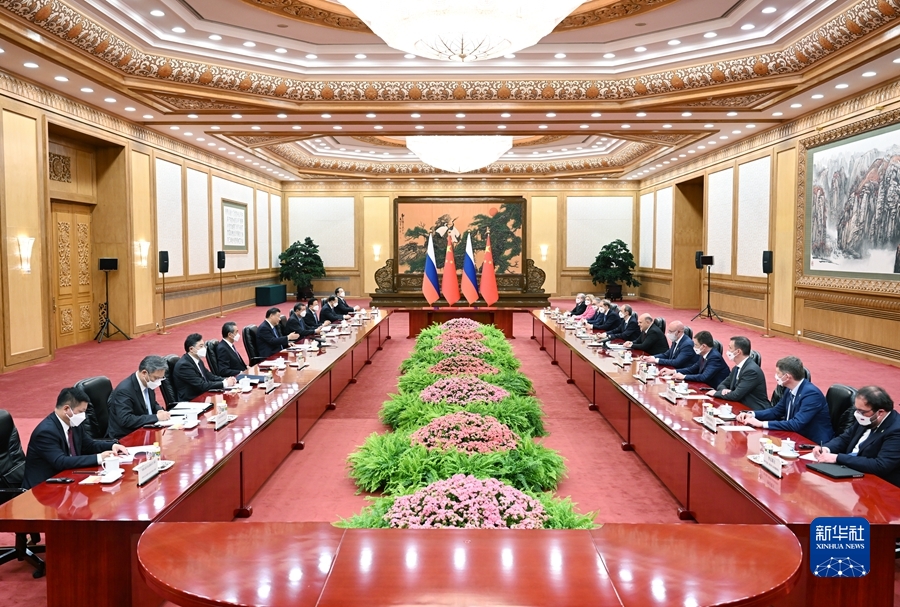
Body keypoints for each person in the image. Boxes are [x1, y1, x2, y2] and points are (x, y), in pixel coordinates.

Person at [22, 387, 128, 489]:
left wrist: (112, 445)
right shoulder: (45, 432)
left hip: (68, 477)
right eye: (81, 412)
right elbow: (60, 461)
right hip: (44, 487)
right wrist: (100, 457)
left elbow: (88, 445)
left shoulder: (73, 422)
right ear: (66, 409)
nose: (83, 416)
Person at [813, 386, 900, 487]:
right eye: (857, 410)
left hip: (877, 484)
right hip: (850, 472)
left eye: (862, 411)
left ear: (880, 412)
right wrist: (826, 448)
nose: (858, 414)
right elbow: (845, 439)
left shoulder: (896, 430)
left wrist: (837, 458)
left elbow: (880, 465)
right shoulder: (866, 418)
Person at [737, 356, 833, 444]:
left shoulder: (811, 394)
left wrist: (761, 424)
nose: (776, 376)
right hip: (793, 437)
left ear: (787, 377)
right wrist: (752, 414)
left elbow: (796, 424)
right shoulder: (789, 389)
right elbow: (776, 411)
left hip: (813, 444)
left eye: (778, 373)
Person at [106, 355, 172, 439]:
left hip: (145, 429)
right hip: (126, 436)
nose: (158, 382)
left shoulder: (148, 382)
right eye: (156, 378)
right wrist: (156, 417)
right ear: (144, 373)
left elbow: (151, 402)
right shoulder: (124, 391)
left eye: (161, 378)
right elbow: (126, 420)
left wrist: (159, 410)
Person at [706, 336, 769, 411]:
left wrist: (715, 393)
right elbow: (722, 385)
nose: (728, 350)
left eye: (730, 348)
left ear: (738, 352)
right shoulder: (736, 368)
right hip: (739, 405)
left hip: (754, 409)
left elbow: (736, 395)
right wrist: (724, 390)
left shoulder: (751, 371)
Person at [173, 333, 236, 401]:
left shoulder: (198, 360)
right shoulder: (184, 366)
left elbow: (210, 376)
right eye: (201, 346)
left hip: (201, 396)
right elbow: (202, 385)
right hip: (191, 400)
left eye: (204, 346)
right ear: (191, 349)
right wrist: (225, 383)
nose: (204, 348)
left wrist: (226, 379)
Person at [660, 330, 730, 388]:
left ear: (703, 346)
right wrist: (673, 371)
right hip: (704, 385)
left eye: (696, 345)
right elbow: (692, 369)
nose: (694, 347)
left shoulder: (715, 357)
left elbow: (704, 377)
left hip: (715, 389)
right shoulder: (703, 354)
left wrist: (684, 376)